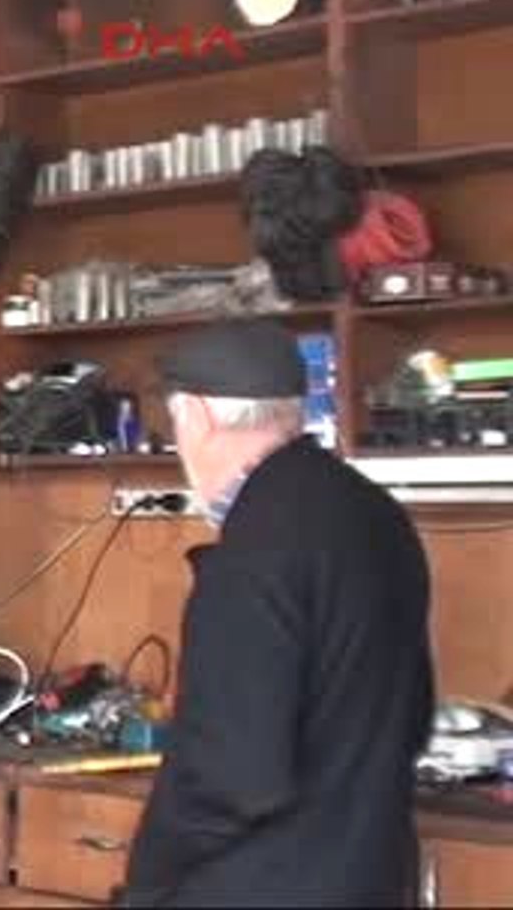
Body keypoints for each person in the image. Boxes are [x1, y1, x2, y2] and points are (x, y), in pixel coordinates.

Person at [123, 319, 434, 906]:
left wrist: (149, 881)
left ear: (198, 417)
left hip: (258, 886)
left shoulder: (254, 547)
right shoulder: (378, 514)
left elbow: (232, 776)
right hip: (371, 877)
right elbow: (413, 715)